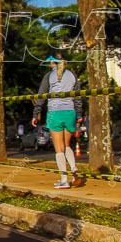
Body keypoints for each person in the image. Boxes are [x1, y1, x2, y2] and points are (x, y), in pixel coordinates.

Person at [32, 54, 84, 189]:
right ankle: (74, 168)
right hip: (70, 112)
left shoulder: (48, 76)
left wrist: (35, 113)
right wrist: (79, 113)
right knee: (67, 144)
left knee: (59, 149)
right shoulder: (72, 75)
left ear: (52, 62)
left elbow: (41, 96)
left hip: (55, 112)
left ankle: (64, 180)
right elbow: (77, 96)